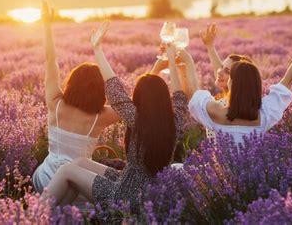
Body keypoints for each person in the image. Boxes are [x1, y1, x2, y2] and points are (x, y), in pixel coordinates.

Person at [44, 22, 187, 211]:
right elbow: (179, 96)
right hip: (145, 189)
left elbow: (114, 88)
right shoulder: (175, 120)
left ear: (140, 100)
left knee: (68, 170)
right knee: (79, 163)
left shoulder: (137, 120)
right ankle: (57, 215)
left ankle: (34, 216)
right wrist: (171, 58)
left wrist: (98, 49)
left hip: (124, 195)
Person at [181, 23, 292, 145]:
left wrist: (186, 61)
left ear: (233, 82)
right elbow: (289, 79)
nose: (220, 73)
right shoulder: (264, 113)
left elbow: (194, 93)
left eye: (228, 73)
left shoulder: (215, 111)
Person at [32, 2, 120, 193]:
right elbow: (129, 105)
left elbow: (50, 60)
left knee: (40, 173)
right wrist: (155, 70)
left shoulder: (55, 103)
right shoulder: (101, 116)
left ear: (71, 84)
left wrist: (47, 26)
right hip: (77, 184)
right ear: (100, 90)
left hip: (46, 178)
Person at [199, 23, 252, 138]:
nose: (219, 72)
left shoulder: (221, 106)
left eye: (227, 72)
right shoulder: (250, 106)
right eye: (221, 67)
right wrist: (210, 46)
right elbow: (220, 72)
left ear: (238, 80)